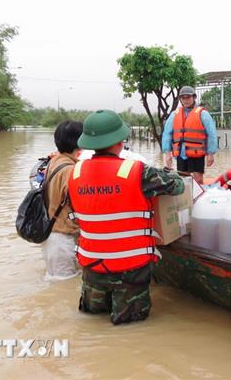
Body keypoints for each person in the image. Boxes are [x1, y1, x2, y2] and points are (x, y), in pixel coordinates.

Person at [68, 110, 185, 324]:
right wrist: (170, 172)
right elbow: (177, 186)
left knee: (90, 323)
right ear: (120, 142)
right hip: (130, 270)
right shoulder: (137, 171)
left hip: (92, 267)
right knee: (129, 328)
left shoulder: (75, 172)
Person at [41, 120, 83, 280]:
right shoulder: (71, 170)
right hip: (63, 239)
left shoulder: (55, 161)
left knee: (54, 282)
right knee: (63, 285)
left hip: (51, 236)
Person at [162, 86, 217, 184]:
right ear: (180, 99)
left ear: (194, 97)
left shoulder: (203, 114)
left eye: (188, 97)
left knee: (198, 180)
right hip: (181, 153)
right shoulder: (175, 114)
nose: (185, 100)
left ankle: (199, 192)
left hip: (197, 152)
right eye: (183, 98)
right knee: (184, 180)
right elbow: (167, 134)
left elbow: (211, 134)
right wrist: (167, 154)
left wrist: (210, 154)